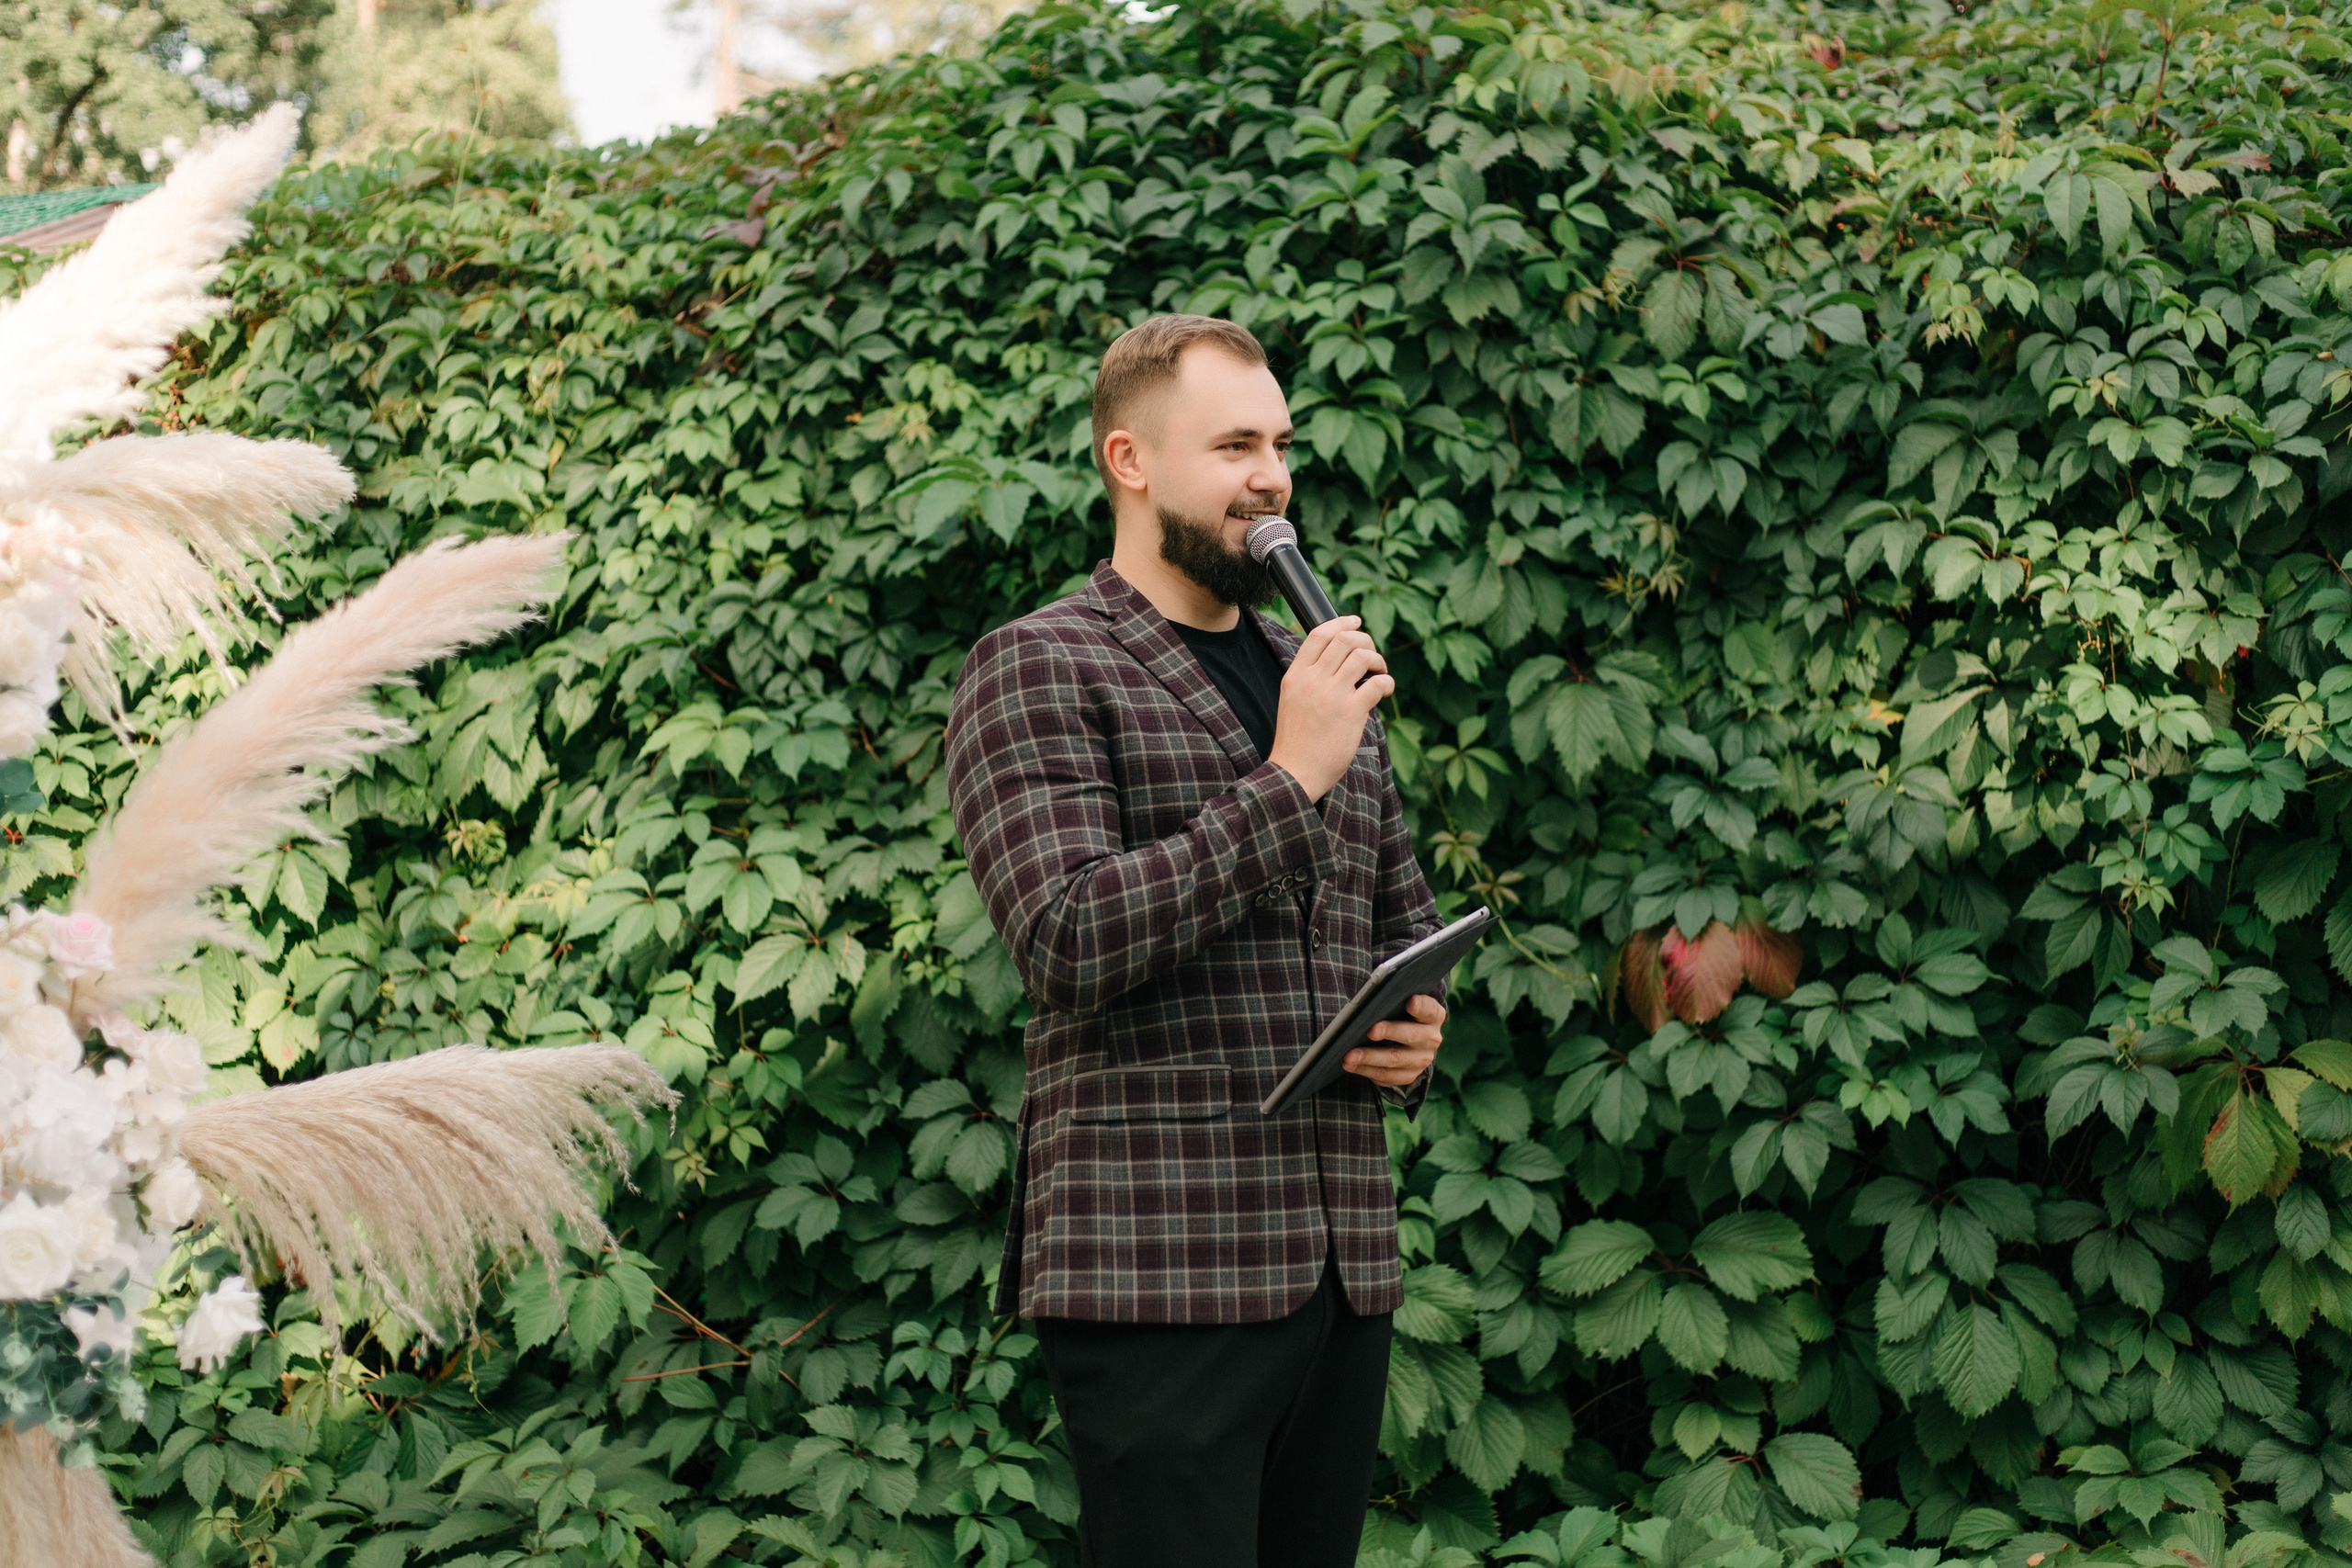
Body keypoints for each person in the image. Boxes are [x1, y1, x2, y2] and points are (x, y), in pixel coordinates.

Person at [944, 313, 1451, 1568]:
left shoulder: (1314, 673)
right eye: (1234, 445)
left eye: (1279, 444)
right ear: (1131, 459)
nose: (1272, 475)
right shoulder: (1041, 663)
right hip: (1157, 1266)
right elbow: (1068, 935)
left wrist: (1416, 1031)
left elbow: (1402, 919)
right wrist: (1289, 779)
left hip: (1338, 1268)